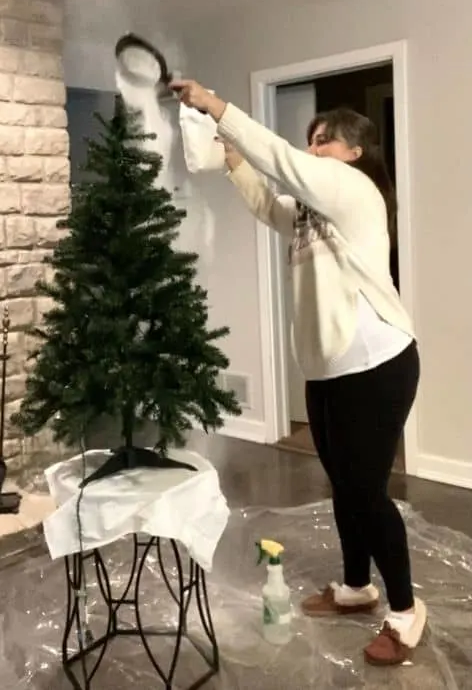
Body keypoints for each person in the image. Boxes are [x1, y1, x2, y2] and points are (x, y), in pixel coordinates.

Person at [171, 78, 425, 667]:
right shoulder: (311, 212)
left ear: (354, 152)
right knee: (345, 485)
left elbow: (283, 164)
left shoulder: (356, 189)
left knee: (366, 491)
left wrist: (217, 107)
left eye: (323, 141)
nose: (312, 150)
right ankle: (357, 586)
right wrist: (231, 156)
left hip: (377, 362)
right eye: (309, 142)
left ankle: (408, 612)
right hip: (328, 369)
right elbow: (267, 201)